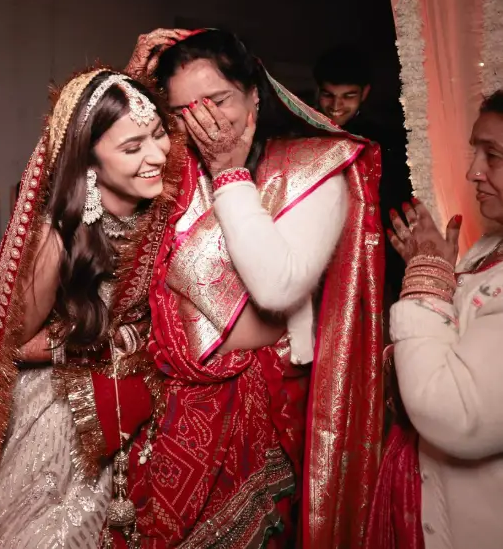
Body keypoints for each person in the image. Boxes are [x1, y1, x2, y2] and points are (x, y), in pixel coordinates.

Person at [115, 29, 385, 548]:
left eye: (218, 101)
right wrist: (130, 89)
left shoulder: (312, 169)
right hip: (163, 406)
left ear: (254, 95)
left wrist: (229, 174)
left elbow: (277, 287)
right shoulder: (169, 173)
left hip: (262, 412)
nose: (205, 121)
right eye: (184, 110)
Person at [0, 69, 185, 549]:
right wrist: (100, 341)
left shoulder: (167, 215)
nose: (158, 155)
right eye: (132, 147)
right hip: (60, 420)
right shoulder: (56, 238)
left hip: (145, 407)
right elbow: (10, 347)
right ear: (88, 160)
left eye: (159, 134)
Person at [367, 90, 503, 549]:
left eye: (493, 156)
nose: (473, 172)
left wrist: (427, 275)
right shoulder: (490, 246)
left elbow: (454, 412)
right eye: (475, 151)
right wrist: (435, 269)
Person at [315, 44, 413, 311]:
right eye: (328, 95)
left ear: (365, 93)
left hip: (372, 251)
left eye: (348, 96)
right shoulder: (305, 134)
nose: (336, 106)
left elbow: (393, 202)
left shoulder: (382, 141)